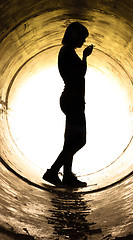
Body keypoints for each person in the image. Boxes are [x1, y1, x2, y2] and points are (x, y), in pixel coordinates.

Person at [43, 22, 93, 187]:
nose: (83, 41)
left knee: (70, 141)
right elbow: (80, 74)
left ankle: (67, 176)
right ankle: (53, 171)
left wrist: (84, 57)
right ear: (74, 35)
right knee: (79, 141)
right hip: (72, 100)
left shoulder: (67, 51)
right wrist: (85, 57)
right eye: (82, 37)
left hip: (71, 100)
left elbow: (79, 74)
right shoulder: (67, 52)